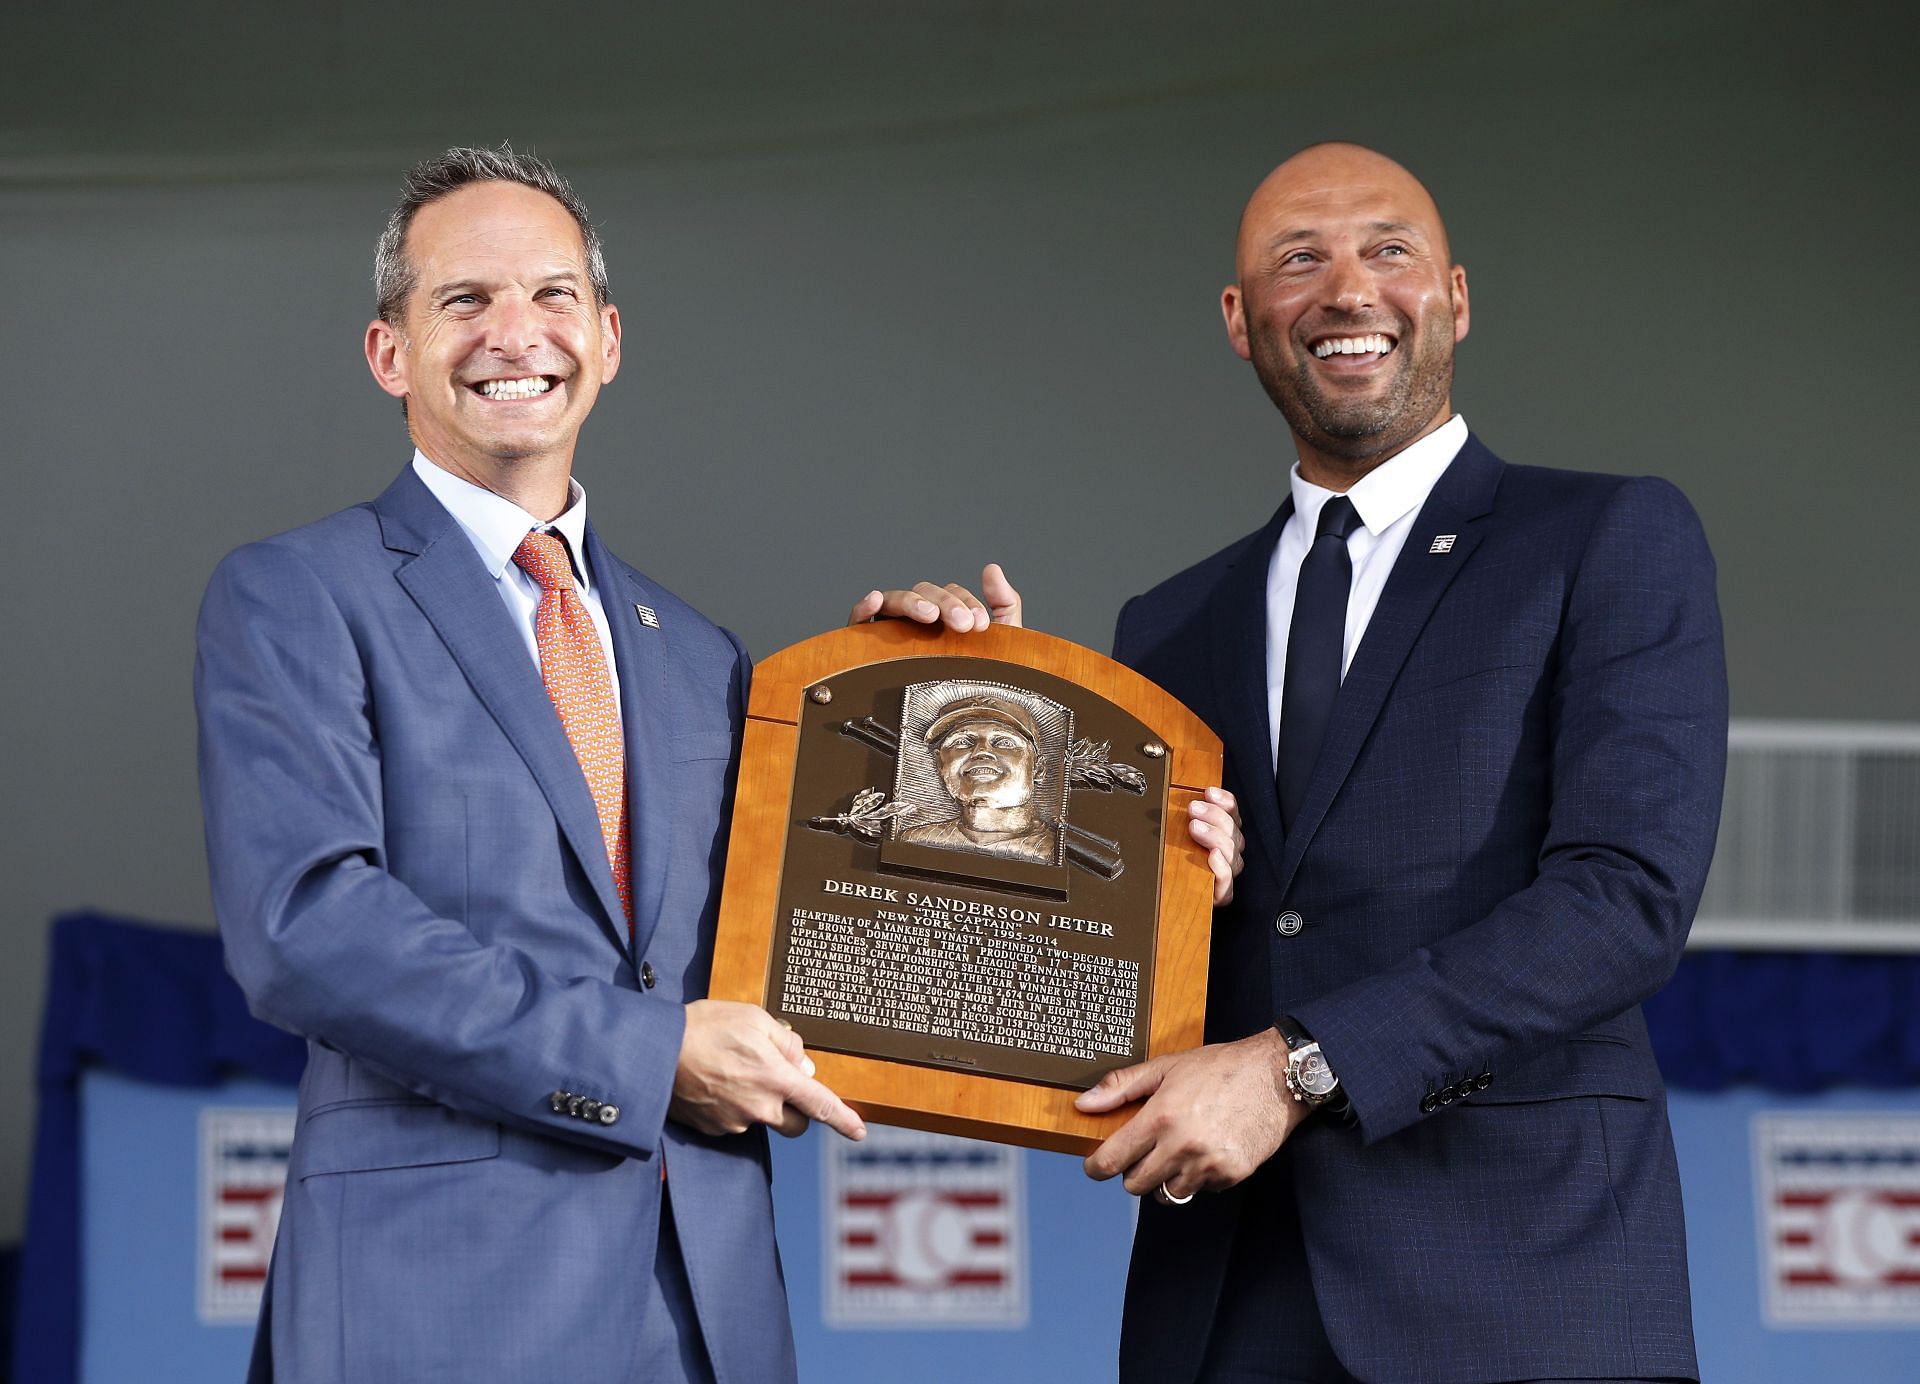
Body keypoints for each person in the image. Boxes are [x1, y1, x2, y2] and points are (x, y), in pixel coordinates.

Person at [869, 143, 1726, 1383]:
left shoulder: (1603, 537)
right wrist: (987, 711)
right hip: (1224, 1304)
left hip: (1523, 1289)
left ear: (1457, 298)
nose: (1346, 290)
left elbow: (1624, 902)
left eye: (1388, 249)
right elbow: (1123, 969)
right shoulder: (1163, 629)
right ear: (1239, 319)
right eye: (1298, 260)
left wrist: (1294, 1066)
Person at [196, 145, 865, 1384]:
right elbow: (307, 924)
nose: (518, 332)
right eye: (465, 300)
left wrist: (941, 700)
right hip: (437, 1297)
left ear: (607, 340)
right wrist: (646, 1055)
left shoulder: (706, 656)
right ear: (390, 352)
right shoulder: (296, 595)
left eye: (554, 295)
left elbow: (801, 943)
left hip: (704, 1305)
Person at [896, 693, 1060, 863]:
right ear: (940, 764)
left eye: (1004, 742)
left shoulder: (1057, 852)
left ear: (1038, 768)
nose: (981, 751)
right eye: (962, 742)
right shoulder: (914, 841)